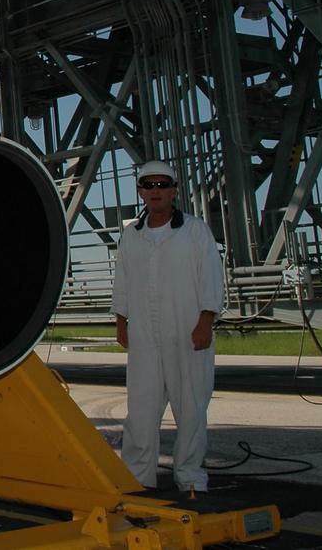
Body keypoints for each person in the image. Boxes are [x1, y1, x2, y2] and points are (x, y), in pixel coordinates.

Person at [111, 160, 225, 493]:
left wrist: (206, 320)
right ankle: (137, 476)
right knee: (141, 410)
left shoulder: (195, 231)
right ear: (141, 192)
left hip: (187, 331)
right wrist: (121, 320)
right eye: (149, 185)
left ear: (174, 190)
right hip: (145, 334)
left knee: (190, 407)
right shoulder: (131, 236)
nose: (156, 191)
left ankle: (189, 475)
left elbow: (211, 278)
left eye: (163, 185)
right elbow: (123, 280)